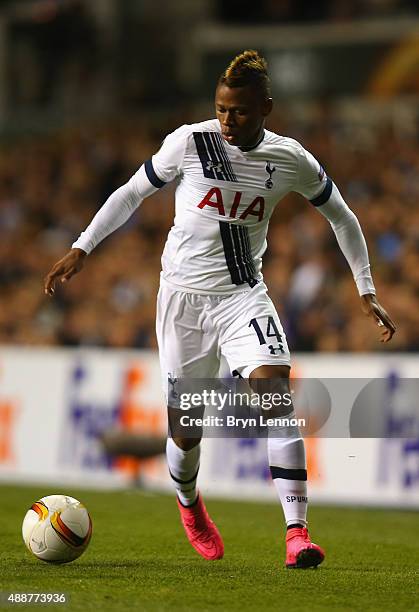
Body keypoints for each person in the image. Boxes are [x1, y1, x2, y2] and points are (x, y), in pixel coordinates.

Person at [44, 50, 396, 568]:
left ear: (266, 108)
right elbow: (131, 193)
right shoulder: (189, 142)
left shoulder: (290, 159)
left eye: (241, 112)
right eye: (222, 109)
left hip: (242, 297)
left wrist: (364, 287)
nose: (229, 120)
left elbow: (342, 217)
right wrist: (83, 246)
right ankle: (189, 503)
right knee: (186, 432)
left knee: (276, 394)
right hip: (182, 302)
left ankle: (296, 535)